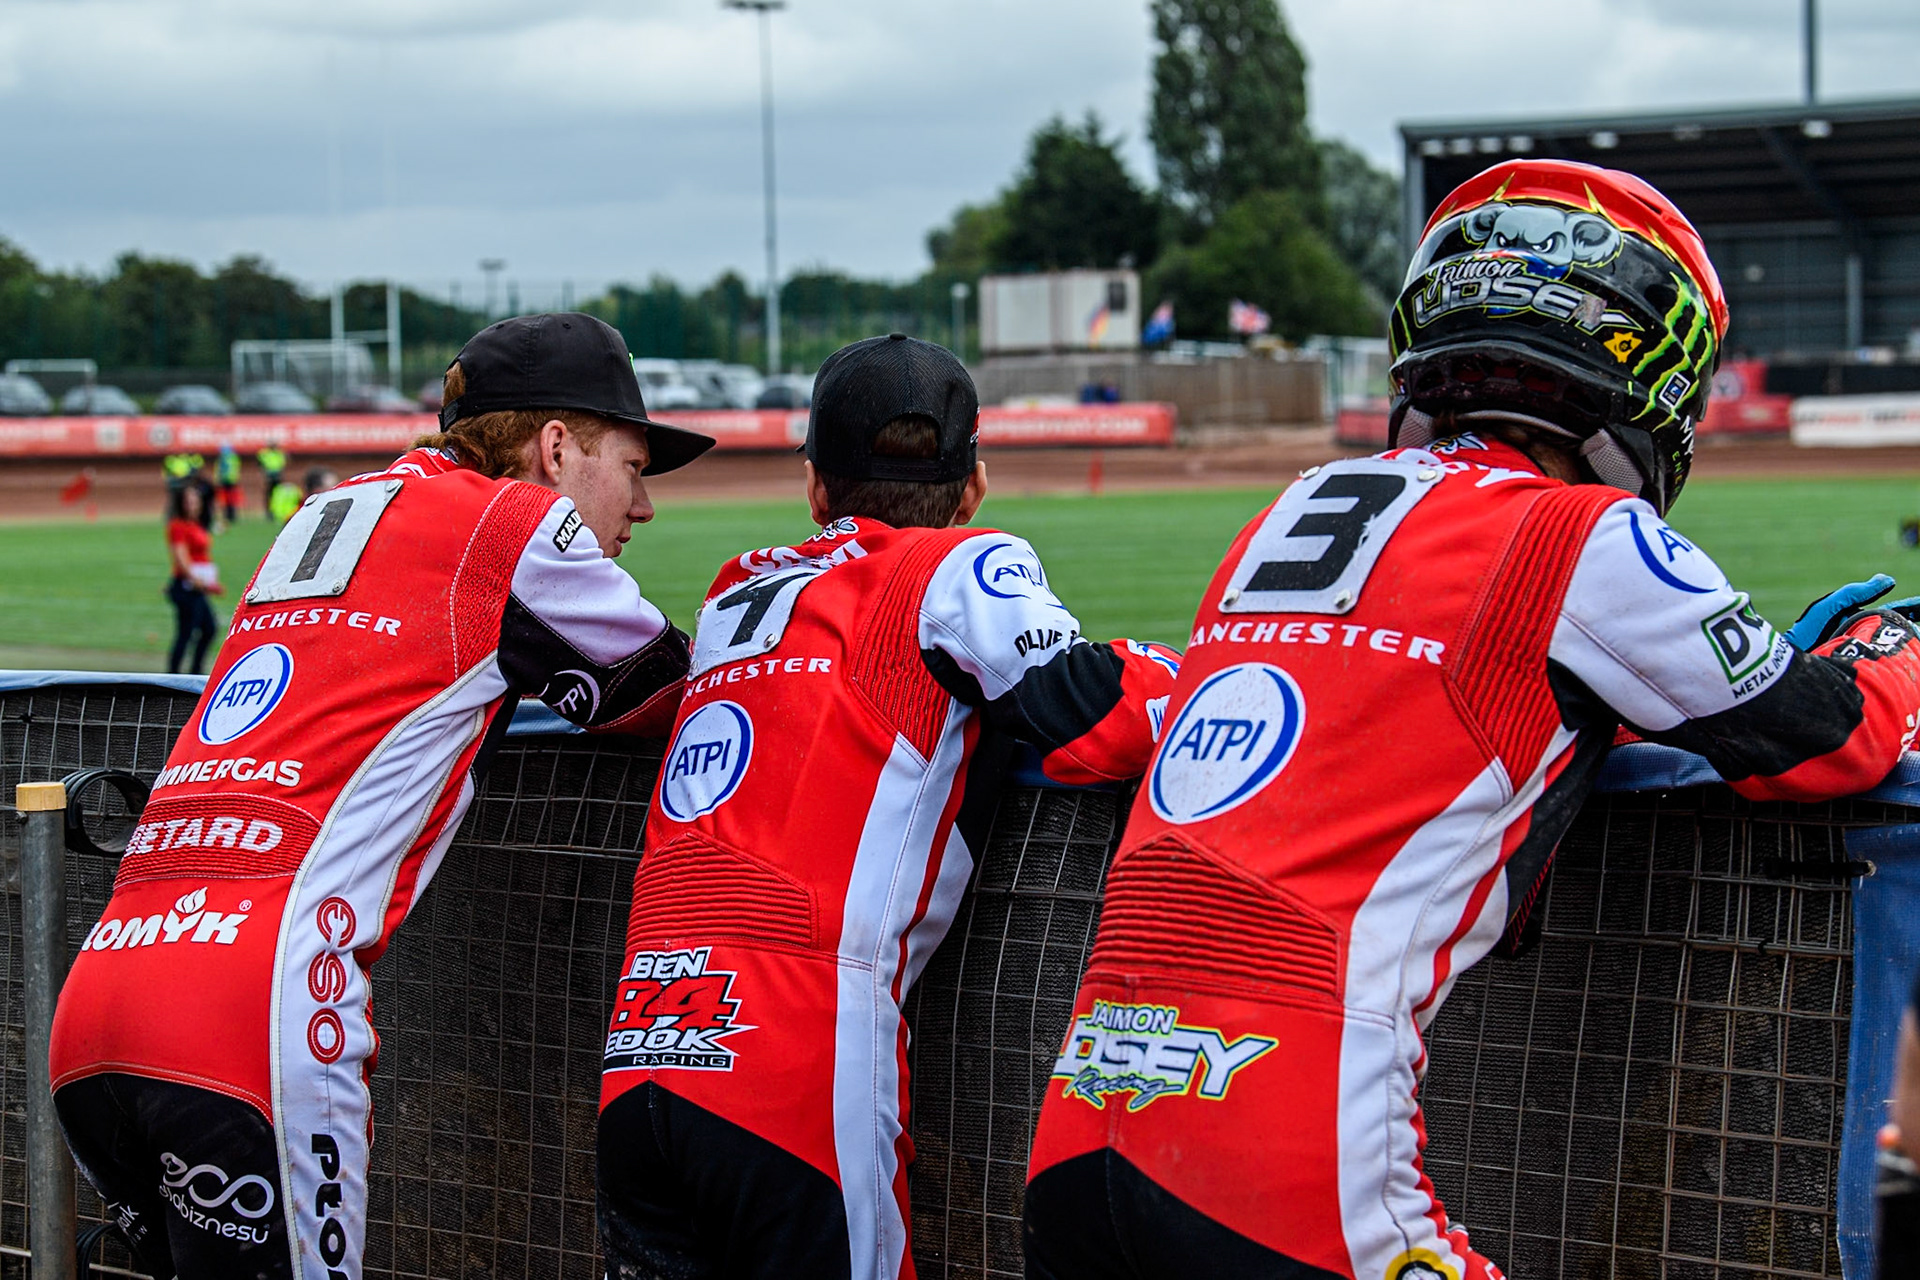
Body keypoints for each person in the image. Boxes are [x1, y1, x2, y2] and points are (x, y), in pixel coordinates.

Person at [1023, 159, 1920, 1280]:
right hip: (1295, 1153)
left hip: (1079, 1125)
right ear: (1652, 366)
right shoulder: (1587, 536)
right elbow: (1835, 740)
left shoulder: (1289, 512)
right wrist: (1890, 652)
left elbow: (1412, 714)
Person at [50, 312, 715, 1280]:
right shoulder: (516, 521)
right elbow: (670, 694)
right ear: (556, 447)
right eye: (634, 462)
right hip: (252, 1012)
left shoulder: (326, 513)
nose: (642, 504)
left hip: (104, 993)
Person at [595, 333, 1180, 1280]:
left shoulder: (735, 588)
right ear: (973, 488)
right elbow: (1101, 723)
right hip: (797, 1055)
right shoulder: (956, 567)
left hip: (642, 1051)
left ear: (817, 489)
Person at [164, 483, 221, 674]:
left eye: (196, 501)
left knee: (208, 628)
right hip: (187, 586)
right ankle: (174, 674)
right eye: (189, 502)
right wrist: (193, 578)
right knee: (187, 632)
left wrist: (209, 581)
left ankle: (195, 671)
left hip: (199, 584)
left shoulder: (196, 524)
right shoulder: (178, 526)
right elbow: (180, 555)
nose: (193, 505)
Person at [215, 442, 243, 527]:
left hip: (227, 480)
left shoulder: (223, 458)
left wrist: (218, 479)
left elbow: (220, 470)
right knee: (230, 499)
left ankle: (229, 515)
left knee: (228, 499)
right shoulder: (234, 458)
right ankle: (230, 515)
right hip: (232, 480)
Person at [258, 440, 287, 518]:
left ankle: (277, 510)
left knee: (277, 494)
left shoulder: (279, 453)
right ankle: (269, 512)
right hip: (269, 476)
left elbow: (282, 464)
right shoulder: (265, 453)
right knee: (269, 495)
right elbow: (261, 464)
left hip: (277, 476)